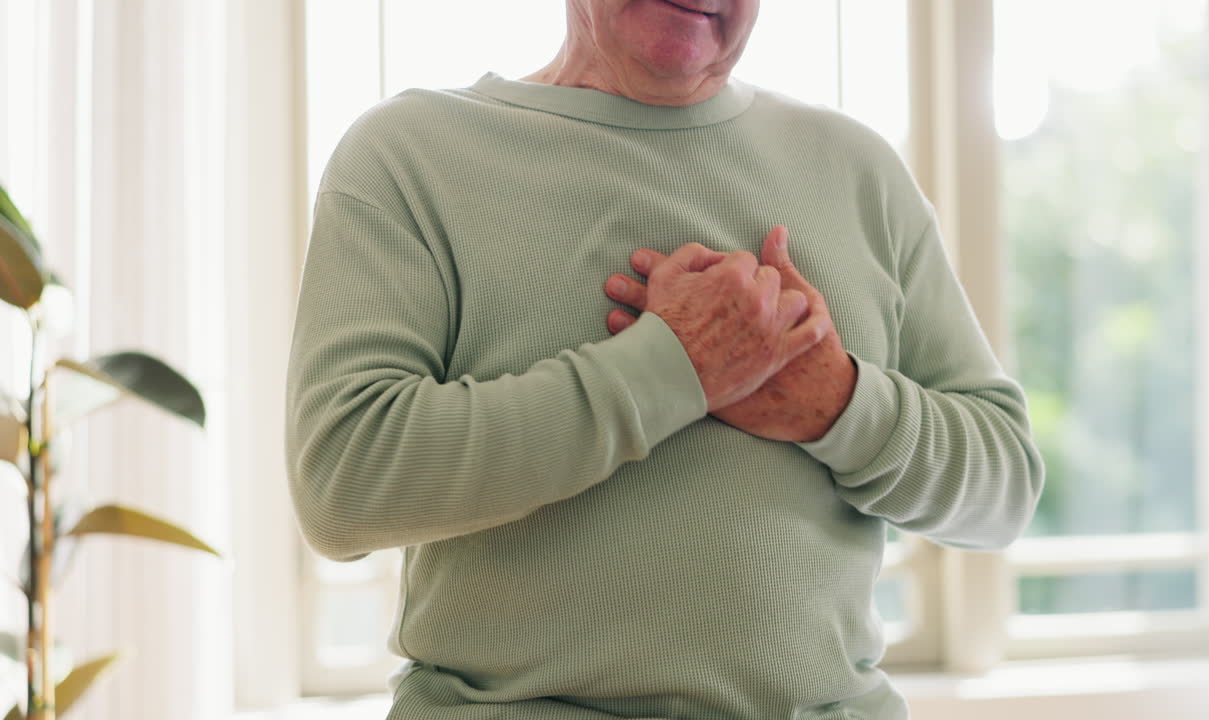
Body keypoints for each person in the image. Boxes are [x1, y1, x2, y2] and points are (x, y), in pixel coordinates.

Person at [284, 1, 1045, 718]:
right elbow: (344, 482)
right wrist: (671, 368)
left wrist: (836, 402)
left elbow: (1004, 488)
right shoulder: (411, 153)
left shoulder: (858, 170)